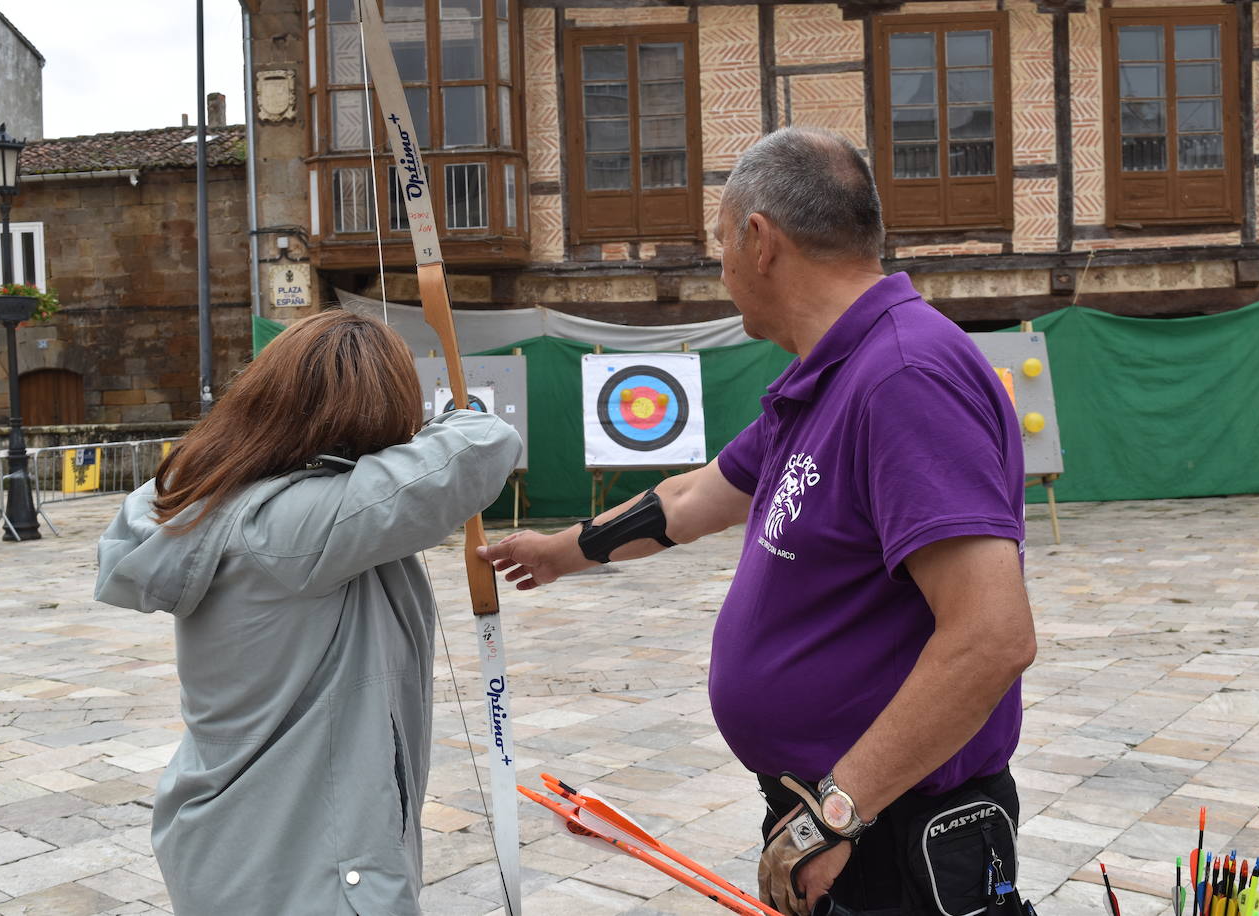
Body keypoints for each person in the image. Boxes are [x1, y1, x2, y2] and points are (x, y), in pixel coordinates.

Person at [477, 127, 1036, 916]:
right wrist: (557, 552)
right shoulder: (830, 373)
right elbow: (691, 499)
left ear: (759, 239)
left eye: (719, 246)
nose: (722, 270)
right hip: (839, 822)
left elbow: (991, 637)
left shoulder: (903, 376)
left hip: (891, 833)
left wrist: (837, 814)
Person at [94, 310, 521, 915]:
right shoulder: (295, 526)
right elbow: (484, 445)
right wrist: (451, 416)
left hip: (231, 844)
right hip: (310, 868)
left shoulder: (219, 498)